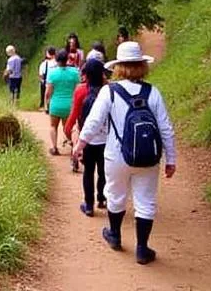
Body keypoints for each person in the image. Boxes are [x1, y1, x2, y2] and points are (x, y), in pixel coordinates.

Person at [74, 41, 176, 266]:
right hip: (148, 157)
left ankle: (115, 235)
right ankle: (142, 249)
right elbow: (166, 127)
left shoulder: (109, 91)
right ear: (142, 65)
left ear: (117, 67)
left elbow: (93, 122)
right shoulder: (153, 92)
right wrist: (171, 159)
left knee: (115, 195)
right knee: (145, 200)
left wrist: (79, 145)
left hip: (116, 155)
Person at [66, 58, 108, 215]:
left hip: (88, 139)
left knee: (88, 171)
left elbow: (75, 113)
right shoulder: (110, 90)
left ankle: (89, 205)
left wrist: (69, 130)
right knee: (103, 171)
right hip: (106, 140)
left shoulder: (81, 91)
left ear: (86, 75)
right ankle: (102, 198)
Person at [44, 48, 80, 156]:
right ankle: (74, 145)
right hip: (70, 104)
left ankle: (54, 147)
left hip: (56, 104)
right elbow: (77, 89)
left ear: (56, 59)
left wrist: (47, 103)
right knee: (69, 127)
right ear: (67, 59)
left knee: (53, 126)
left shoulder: (52, 73)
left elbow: (48, 92)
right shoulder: (74, 72)